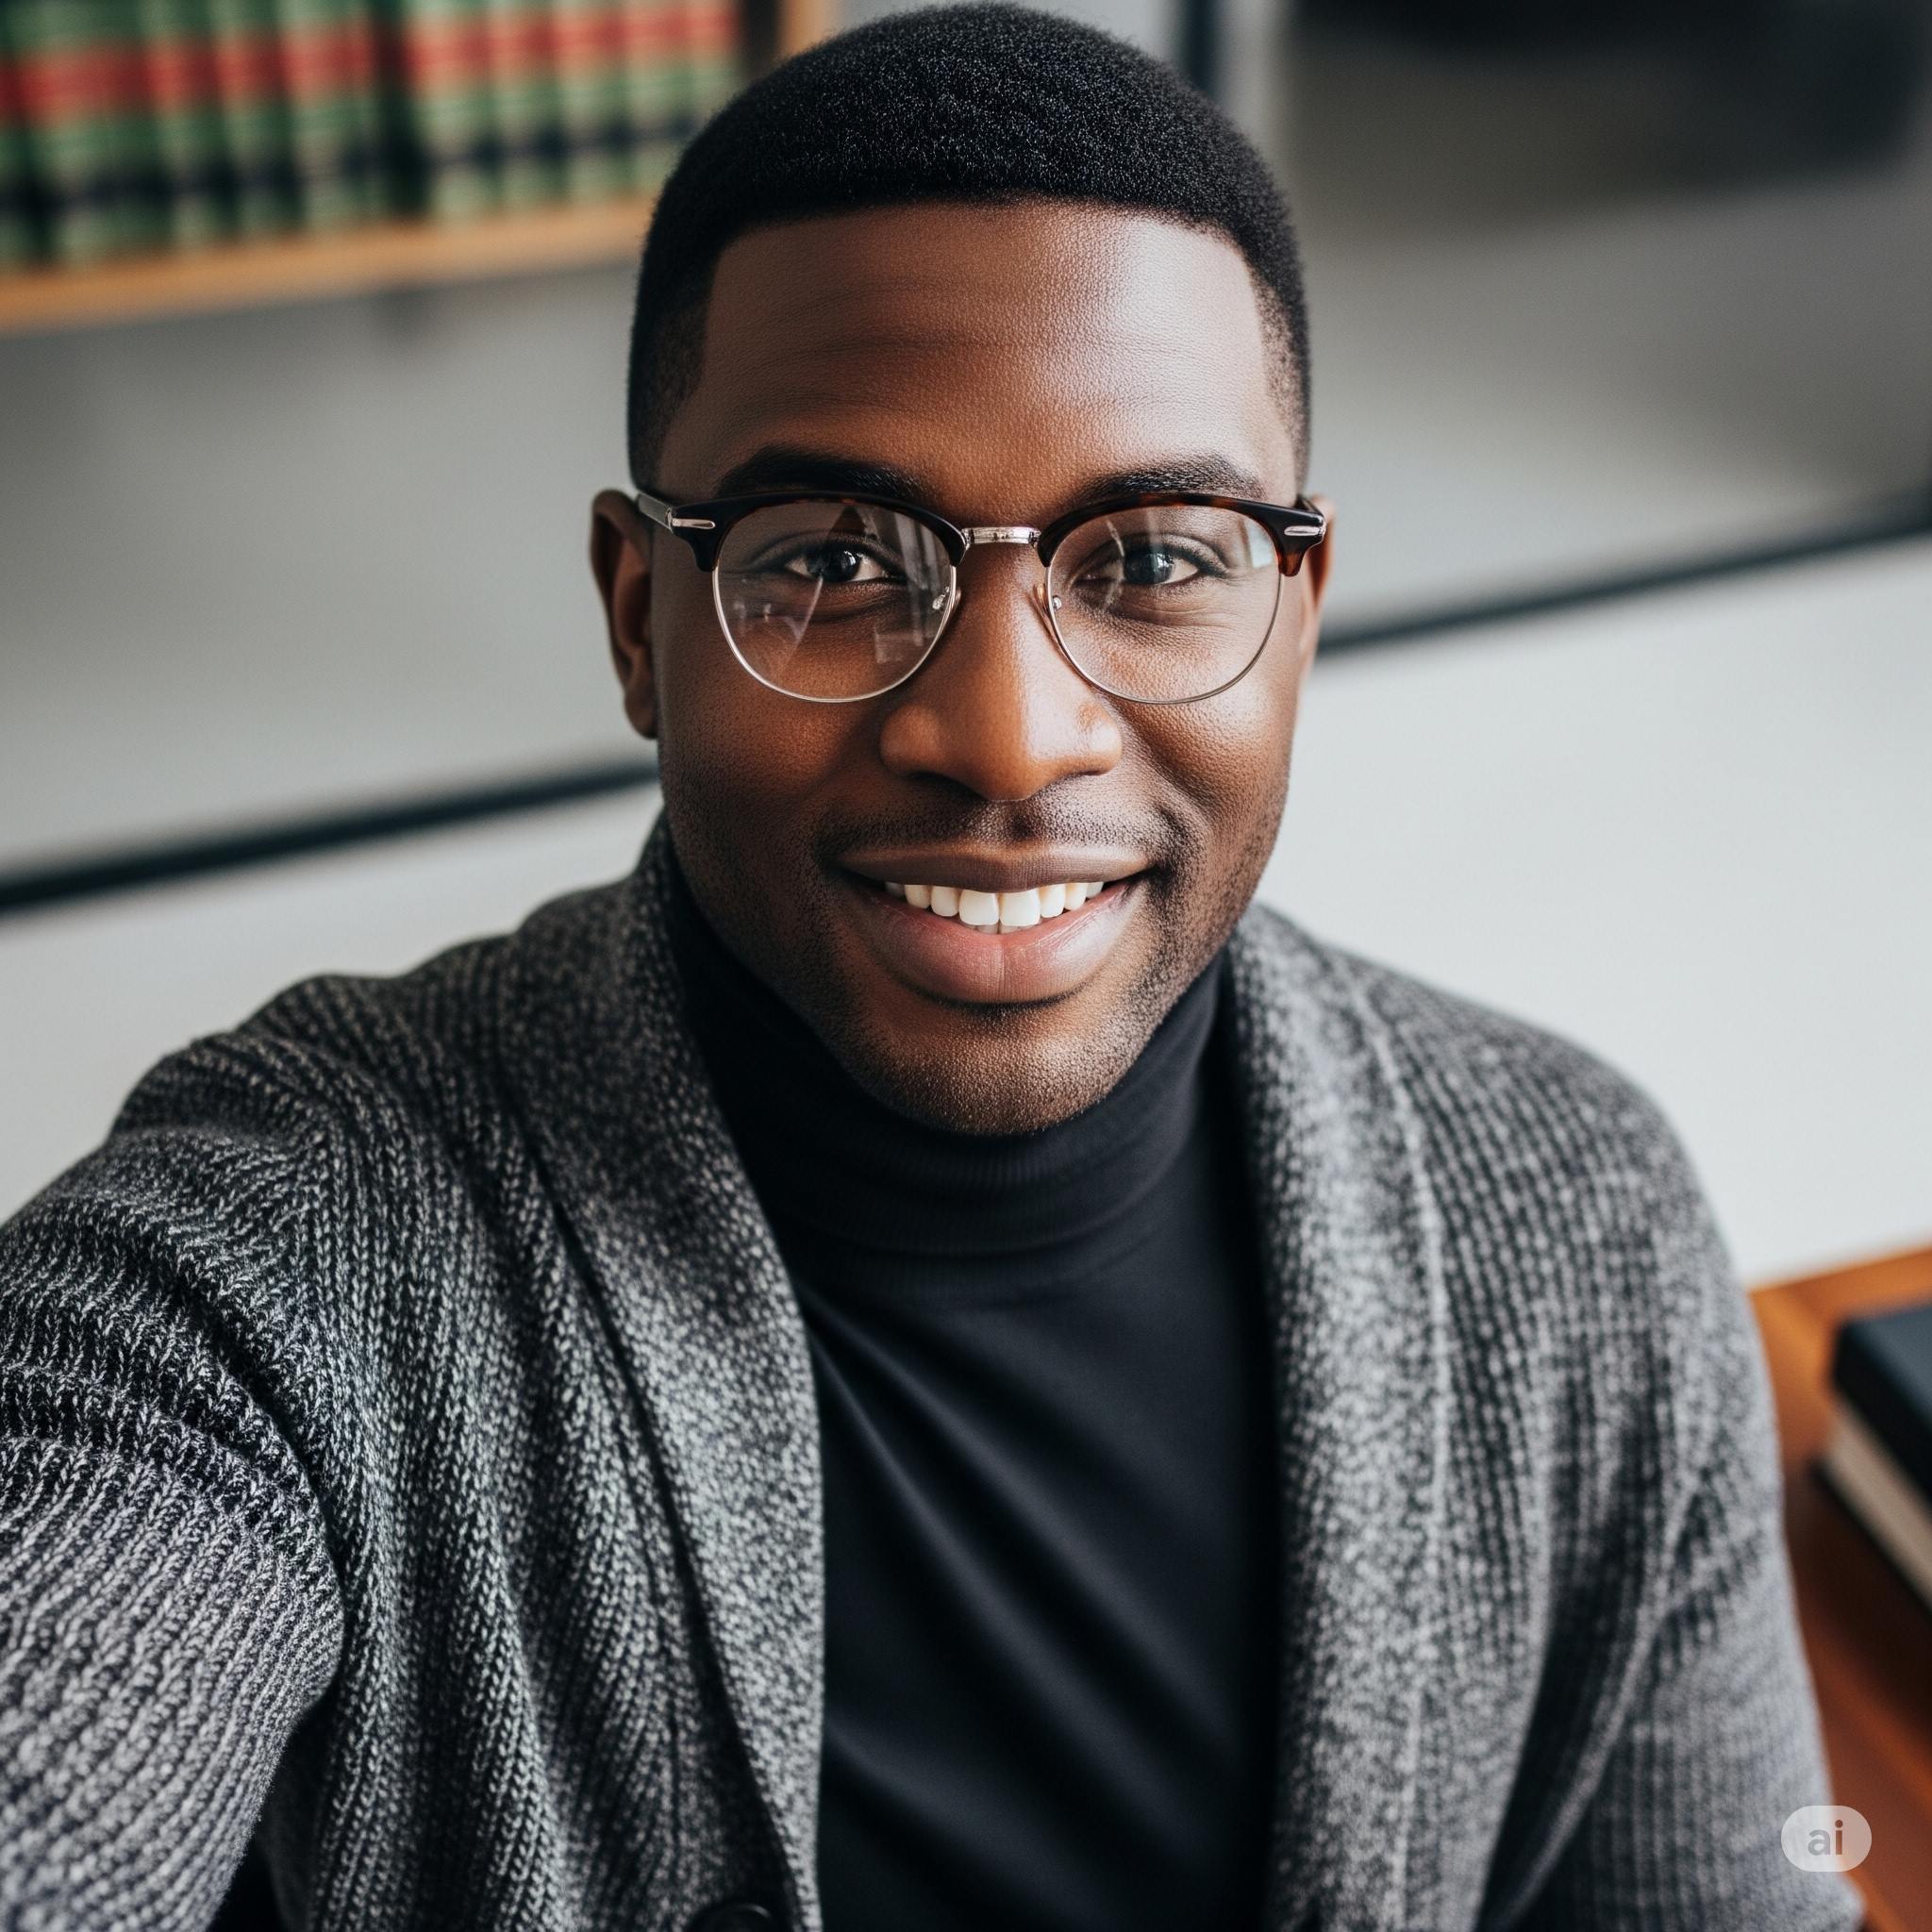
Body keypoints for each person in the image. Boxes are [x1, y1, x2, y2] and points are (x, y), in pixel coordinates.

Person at [0, 7, 1860, 1929]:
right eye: (826, 559)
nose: (1005, 737)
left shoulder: (1579, 1226)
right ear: (640, 623)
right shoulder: (275, 1269)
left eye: (1154, 561)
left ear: (1294, 616)